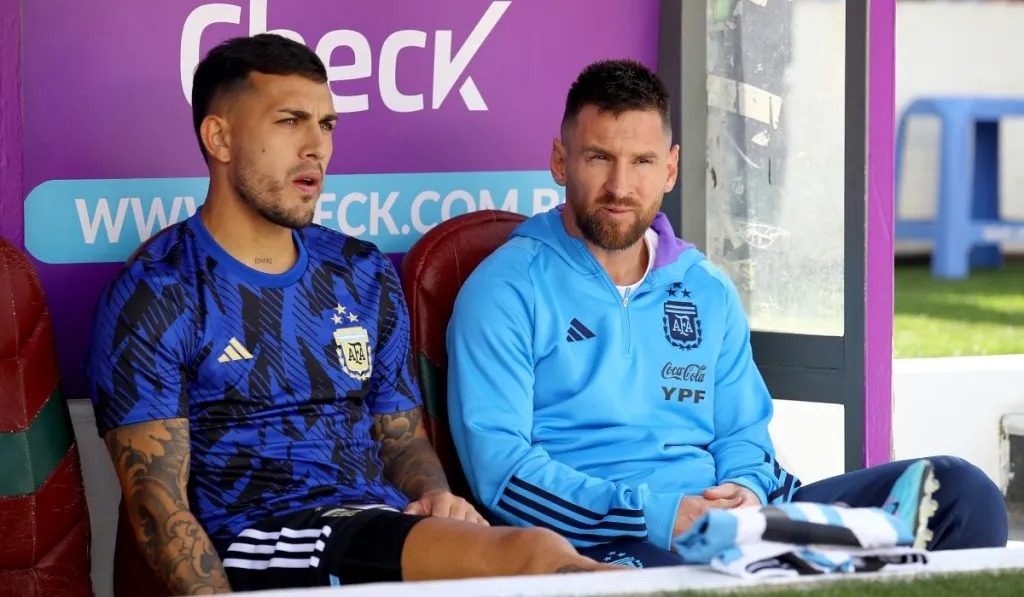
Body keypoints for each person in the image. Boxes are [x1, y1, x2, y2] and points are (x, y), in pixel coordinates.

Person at [84, 34, 615, 595]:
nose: (317, 147)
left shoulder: (359, 269)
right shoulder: (159, 290)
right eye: (290, 122)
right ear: (219, 138)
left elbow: (402, 436)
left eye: (328, 125)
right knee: (530, 556)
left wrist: (435, 498)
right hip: (265, 537)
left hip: (374, 526)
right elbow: (155, 505)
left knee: (528, 557)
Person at [445, 58, 1009, 568]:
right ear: (559, 161)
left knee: (962, 492)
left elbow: (742, 430)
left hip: (739, 521)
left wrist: (746, 486)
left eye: (642, 162)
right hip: (610, 540)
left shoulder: (704, 287)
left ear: (670, 170)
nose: (621, 186)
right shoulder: (505, 288)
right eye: (599, 158)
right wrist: (657, 514)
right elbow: (504, 475)